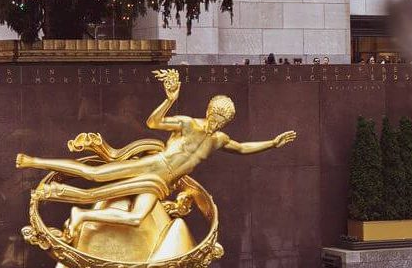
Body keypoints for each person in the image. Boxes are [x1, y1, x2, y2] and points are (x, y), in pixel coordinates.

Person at [16, 68, 295, 241]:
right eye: (217, 115)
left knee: (135, 218)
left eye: (224, 119)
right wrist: (170, 100)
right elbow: (153, 123)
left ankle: (81, 216)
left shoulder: (219, 140)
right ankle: (34, 162)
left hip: (161, 184)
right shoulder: (187, 123)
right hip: (154, 164)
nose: (218, 122)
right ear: (210, 110)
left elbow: (243, 148)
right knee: (95, 174)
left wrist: (273, 142)